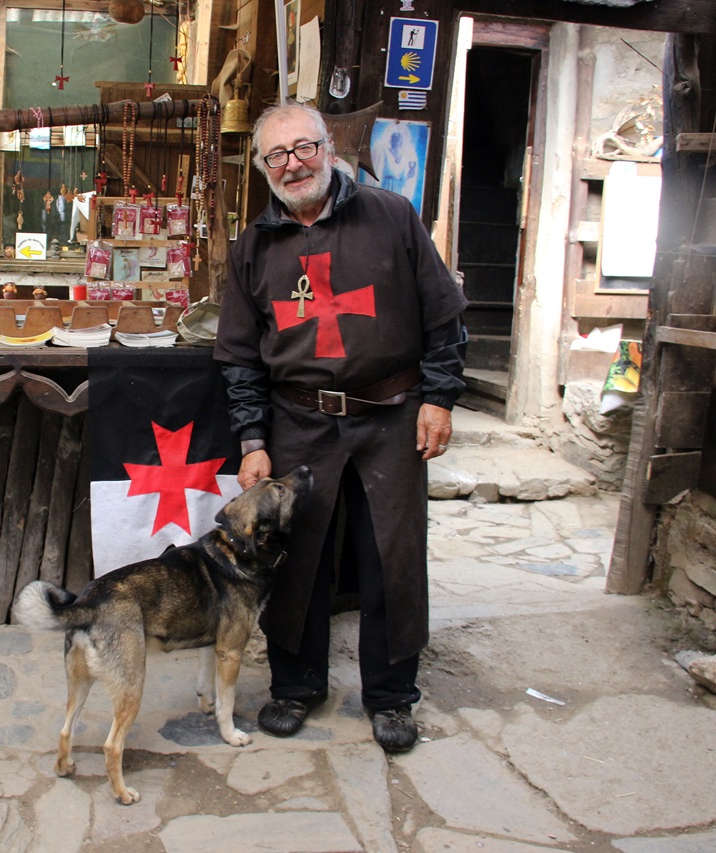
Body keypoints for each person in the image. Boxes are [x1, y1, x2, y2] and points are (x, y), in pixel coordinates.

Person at [213, 103, 467, 753]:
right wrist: (251, 440)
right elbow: (240, 356)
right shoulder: (253, 249)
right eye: (277, 154)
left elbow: (444, 315)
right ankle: (297, 686)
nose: (293, 163)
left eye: (304, 147)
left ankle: (390, 695)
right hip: (299, 416)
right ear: (262, 166)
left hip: (392, 414)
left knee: (392, 555)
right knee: (299, 556)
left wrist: (438, 396)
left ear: (329, 148)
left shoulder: (391, 217)